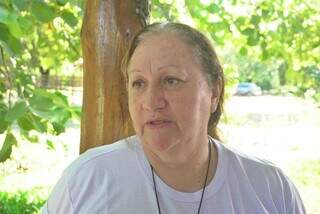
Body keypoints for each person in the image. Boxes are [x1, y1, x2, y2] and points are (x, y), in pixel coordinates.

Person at [41, 22, 305, 214]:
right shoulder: (87, 180)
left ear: (214, 93)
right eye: (139, 83)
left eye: (170, 81)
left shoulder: (269, 188)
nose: (151, 101)